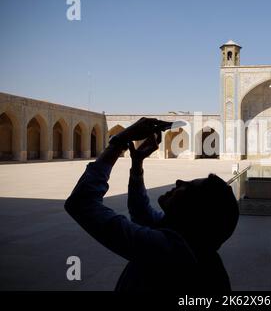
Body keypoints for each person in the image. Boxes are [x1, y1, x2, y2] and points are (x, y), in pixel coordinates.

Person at [65, 117, 239, 290]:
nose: (179, 181)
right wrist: (137, 164)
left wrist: (119, 141)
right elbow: (141, 212)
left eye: (189, 187)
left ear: (194, 211)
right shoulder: (190, 241)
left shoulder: (168, 251)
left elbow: (81, 203)